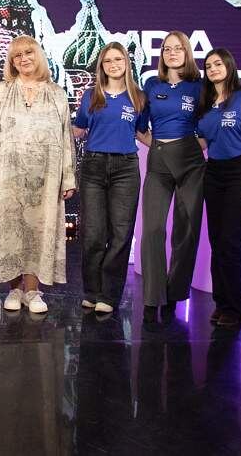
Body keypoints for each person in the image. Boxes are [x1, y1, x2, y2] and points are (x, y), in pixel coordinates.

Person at [0, 35, 76, 314]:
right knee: (11, 231)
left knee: (38, 232)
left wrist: (68, 177)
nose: (23, 59)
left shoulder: (57, 93)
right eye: (17, 55)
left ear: (38, 55)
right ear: (11, 62)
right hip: (6, 177)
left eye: (28, 53)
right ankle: (14, 289)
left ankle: (32, 291)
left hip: (46, 179)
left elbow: (65, 137)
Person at [72, 42, 147, 314]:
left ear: (126, 63)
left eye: (118, 59)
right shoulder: (90, 95)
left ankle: (109, 295)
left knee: (120, 233)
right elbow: (78, 130)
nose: (113, 65)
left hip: (126, 168)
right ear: (101, 66)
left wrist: (174, 149)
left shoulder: (139, 97)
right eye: (108, 61)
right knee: (93, 233)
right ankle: (92, 292)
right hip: (93, 166)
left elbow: (142, 133)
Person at [139, 31, 205, 322]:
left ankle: (175, 293)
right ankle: (153, 296)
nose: (172, 53)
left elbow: (210, 124)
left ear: (187, 53)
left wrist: (191, 147)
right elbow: (140, 125)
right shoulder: (152, 84)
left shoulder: (199, 87)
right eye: (167, 49)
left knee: (186, 230)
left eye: (178, 48)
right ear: (162, 53)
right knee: (153, 229)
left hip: (190, 164)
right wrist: (158, 145)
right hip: (158, 162)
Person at [196, 48, 241, 328]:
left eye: (218, 64)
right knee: (216, 241)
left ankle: (234, 308)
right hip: (213, 173)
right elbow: (203, 142)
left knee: (230, 241)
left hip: (239, 172)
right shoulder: (207, 103)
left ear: (229, 66)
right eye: (208, 66)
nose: (213, 69)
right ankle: (221, 303)